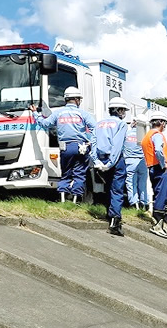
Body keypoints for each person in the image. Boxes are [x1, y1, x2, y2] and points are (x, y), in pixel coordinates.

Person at [31, 86, 96, 203]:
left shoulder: (58, 113)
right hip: (81, 147)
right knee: (79, 174)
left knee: (66, 173)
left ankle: (62, 199)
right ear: (76, 100)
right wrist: (90, 142)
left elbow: (45, 124)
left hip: (65, 147)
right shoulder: (83, 114)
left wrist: (35, 113)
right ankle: (76, 200)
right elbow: (95, 129)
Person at [91, 97, 130, 236]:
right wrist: (110, 164)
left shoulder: (99, 123)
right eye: (123, 110)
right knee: (117, 189)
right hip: (115, 160)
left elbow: (93, 142)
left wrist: (96, 160)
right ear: (119, 110)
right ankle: (115, 222)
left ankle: (109, 213)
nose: (124, 113)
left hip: (100, 157)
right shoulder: (121, 124)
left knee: (108, 188)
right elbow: (117, 146)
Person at [141, 110, 167, 238]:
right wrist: (163, 163)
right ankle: (158, 224)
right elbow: (159, 150)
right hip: (160, 169)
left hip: (152, 168)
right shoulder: (157, 135)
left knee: (158, 193)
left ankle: (164, 225)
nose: (165, 126)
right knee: (162, 196)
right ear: (160, 122)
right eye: (164, 123)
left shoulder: (146, 136)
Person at [123, 112, 148, 210]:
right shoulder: (145, 136)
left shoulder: (127, 134)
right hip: (142, 162)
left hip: (129, 161)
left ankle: (134, 204)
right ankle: (144, 204)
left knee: (131, 184)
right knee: (142, 184)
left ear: (134, 122)